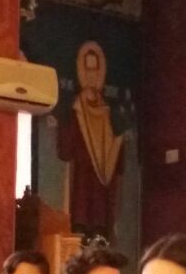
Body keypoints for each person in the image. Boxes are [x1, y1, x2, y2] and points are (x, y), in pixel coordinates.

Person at [54, 42, 129, 240]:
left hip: (102, 191)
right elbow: (65, 151)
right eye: (87, 69)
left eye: (95, 69)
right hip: (80, 185)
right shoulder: (75, 110)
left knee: (101, 234)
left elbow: (118, 161)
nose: (91, 75)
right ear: (81, 71)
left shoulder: (108, 113)